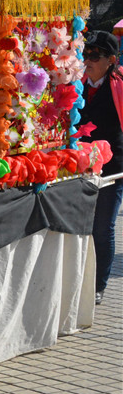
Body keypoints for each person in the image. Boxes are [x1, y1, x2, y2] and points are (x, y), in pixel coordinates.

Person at [77, 30, 123, 305]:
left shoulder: (119, 86)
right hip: (78, 167)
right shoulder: (75, 83)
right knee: (78, 227)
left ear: (111, 60)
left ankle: (98, 286)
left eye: (95, 56)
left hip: (112, 169)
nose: (88, 60)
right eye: (85, 54)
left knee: (102, 227)